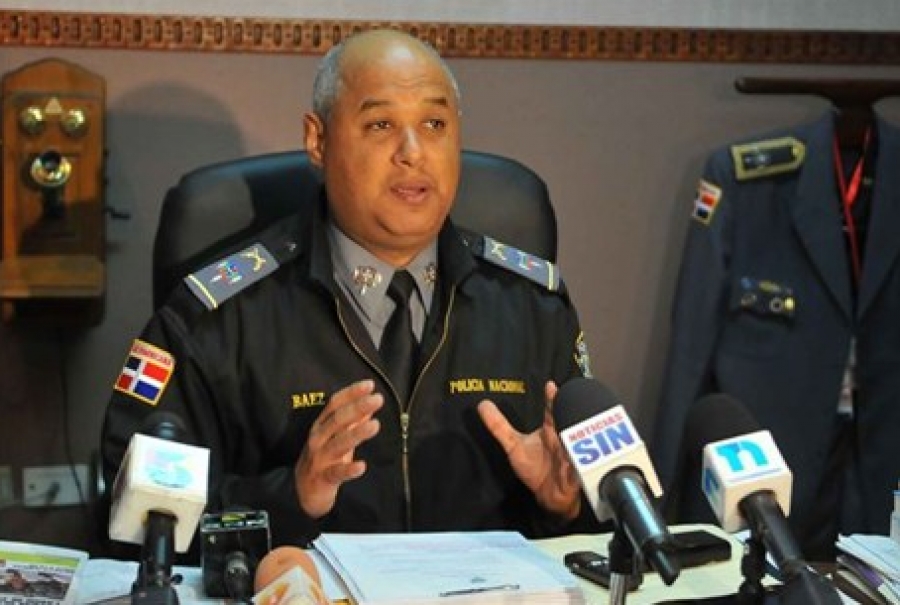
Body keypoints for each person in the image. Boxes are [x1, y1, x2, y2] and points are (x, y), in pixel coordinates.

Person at [101, 29, 599, 555]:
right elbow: (134, 525)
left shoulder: (533, 306)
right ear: (318, 140)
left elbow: (618, 524)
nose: (413, 153)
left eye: (434, 124)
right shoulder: (216, 317)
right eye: (381, 125)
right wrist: (291, 497)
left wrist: (564, 506)